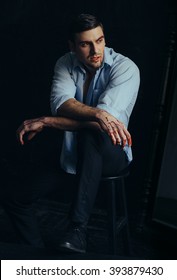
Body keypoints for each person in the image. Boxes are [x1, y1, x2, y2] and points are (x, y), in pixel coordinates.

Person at [7, 14, 140, 253]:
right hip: (71, 152)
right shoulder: (65, 63)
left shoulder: (126, 68)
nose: (95, 50)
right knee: (15, 197)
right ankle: (37, 257)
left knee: (93, 136)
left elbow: (104, 125)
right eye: (85, 44)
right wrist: (96, 114)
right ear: (72, 46)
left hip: (112, 153)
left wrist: (48, 122)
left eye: (99, 41)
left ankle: (78, 229)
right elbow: (62, 103)